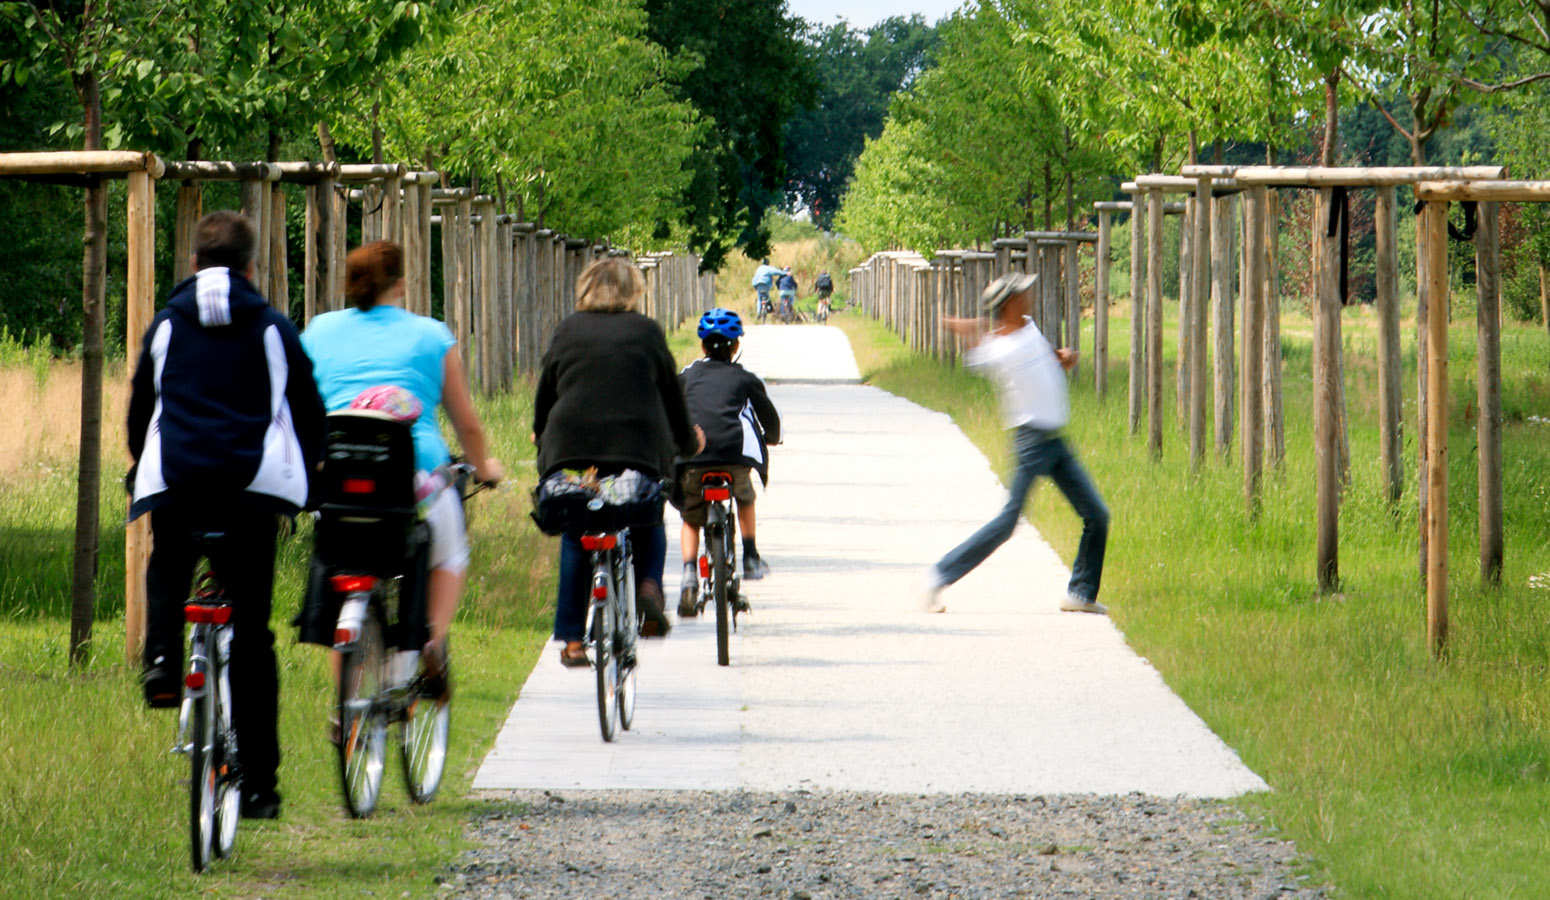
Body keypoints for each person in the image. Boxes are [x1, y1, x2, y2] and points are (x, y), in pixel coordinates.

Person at [128, 210, 326, 820]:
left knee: (167, 567)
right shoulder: (272, 326)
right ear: (251, 266)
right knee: (253, 637)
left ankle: (161, 658)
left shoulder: (164, 325)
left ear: (192, 263)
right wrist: (312, 475)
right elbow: (307, 407)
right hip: (250, 491)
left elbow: (140, 409)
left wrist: (143, 465)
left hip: (179, 481)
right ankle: (262, 788)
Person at [300, 240, 503, 699]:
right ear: (400, 283)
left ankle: (346, 710)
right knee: (450, 557)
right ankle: (430, 640)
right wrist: (485, 467)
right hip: (414, 482)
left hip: (336, 481)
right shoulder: (432, 336)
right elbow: (466, 424)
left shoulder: (317, 331)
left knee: (345, 576)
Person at [534, 257, 703, 667]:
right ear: (632, 291)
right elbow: (671, 398)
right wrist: (686, 441)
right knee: (646, 516)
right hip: (637, 448)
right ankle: (648, 588)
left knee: (577, 533)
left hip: (570, 447)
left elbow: (546, 395)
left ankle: (572, 642)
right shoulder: (646, 332)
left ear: (587, 288)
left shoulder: (568, 330)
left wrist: (543, 436)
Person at [918, 272, 1110, 616]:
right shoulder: (997, 350)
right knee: (1008, 522)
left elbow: (1045, 352)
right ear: (1008, 303)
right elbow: (978, 354)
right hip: (1032, 443)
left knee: (1097, 514)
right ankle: (937, 577)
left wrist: (1061, 357)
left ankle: (1080, 594)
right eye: (1022, 293)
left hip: (1056, 442)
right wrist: (967, 330)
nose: (1029, 295)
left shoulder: (1030, 327)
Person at [674, 308, 781, 616]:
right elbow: (769, 419)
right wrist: (771, 437)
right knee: (745, 496)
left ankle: (688, 574)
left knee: (691, 518)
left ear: (702, 346)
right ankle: (749, 556)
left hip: (694, 457)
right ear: (735, 346)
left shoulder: (687, 376)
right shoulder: (745, 378)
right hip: (734, 456)